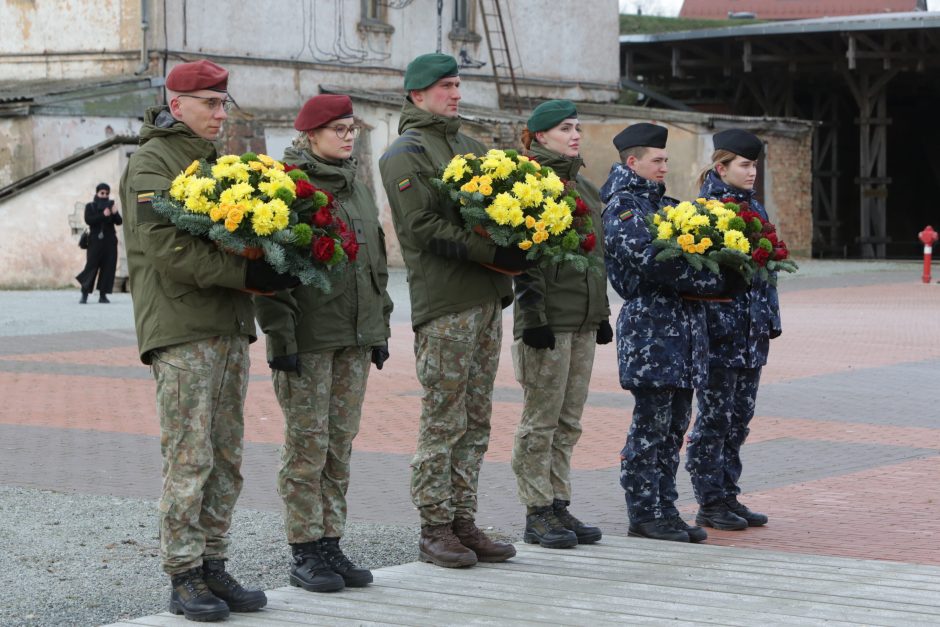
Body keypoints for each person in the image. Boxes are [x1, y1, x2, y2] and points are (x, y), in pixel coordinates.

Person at [119, 59, 297, 622]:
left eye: (224, 103)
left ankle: (214, 562)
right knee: (190, 455)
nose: (221, 113)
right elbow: (164, 250)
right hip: (181, 327)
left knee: (226, 456)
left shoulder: (214, 163)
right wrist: (246, 275)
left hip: (225, 325)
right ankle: (183, 572)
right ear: (177, 105)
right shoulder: (152, 162)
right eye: (210, 103)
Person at [378, 52, 528, 568]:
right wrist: (493, 251)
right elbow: (419, 227)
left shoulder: (470, 146)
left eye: (459, 85)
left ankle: (465, 519)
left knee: (477, 418)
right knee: (443, 419)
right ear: (417, 94)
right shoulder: (405, 152)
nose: (456, 94)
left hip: (486, 299)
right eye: (446, 86)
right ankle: (434, 526)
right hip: (445, 303)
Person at [254, 94, 393, 593]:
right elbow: (271, 268)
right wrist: (280, 336)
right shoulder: (290, 187)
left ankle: (331, 540)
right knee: (306, 448)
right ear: (310, 135)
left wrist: (379, 327)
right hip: (309, 338)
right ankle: (304, 548)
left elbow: (372, 258)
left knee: (339, 446)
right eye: (338, 129)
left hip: (354, 337)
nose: (349, 135)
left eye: (351, 127)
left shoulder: (356, 185)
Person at [601, 123, 722, 544]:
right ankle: (643, 511)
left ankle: (665, 507)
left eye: (666, 160)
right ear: (632, 162)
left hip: (682, 331)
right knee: (650, 426)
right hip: (652, 331)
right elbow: (654, 262)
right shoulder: (625, 208)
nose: (664, 167)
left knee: (674, 426)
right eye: (658, 160)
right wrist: (707, 275)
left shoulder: (663, 205)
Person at [511, 100, 610, 549]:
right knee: (541, 420)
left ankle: (558, 503)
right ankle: (536, 510)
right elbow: (523, 256)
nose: (575, 135)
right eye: (565, 128)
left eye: (577, 127)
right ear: (539, 136)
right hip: (547, 322)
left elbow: (597, 258)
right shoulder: (527, 182)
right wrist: (533, 316)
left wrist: (603, 314)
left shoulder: (585, 188)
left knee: (569, 421)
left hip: (583, 319)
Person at [686, 129, 781, 531]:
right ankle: (709, 500)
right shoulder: (706, 211)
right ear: (721, 167)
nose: (752, 171)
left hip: (751, 333)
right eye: (744, 165)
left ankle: (728, 493)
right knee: (715, 418)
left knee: (740, 417)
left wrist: (770, 320)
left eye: (754, 165)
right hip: (720, 334)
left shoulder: (753, 208)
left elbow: (767, 271)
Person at [76, 182, 122, 303]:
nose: (104, 195)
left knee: (108, 267)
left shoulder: (111, 205)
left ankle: (103, 295)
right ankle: (84, 293)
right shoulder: (90, 206)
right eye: (102, 193)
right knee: (91, 266)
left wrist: (115, 213)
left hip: (110, 241)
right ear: (97, 193)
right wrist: (103, 215)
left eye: (107, 193)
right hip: (95, 241)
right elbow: (88, 220)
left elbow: (119, 222)